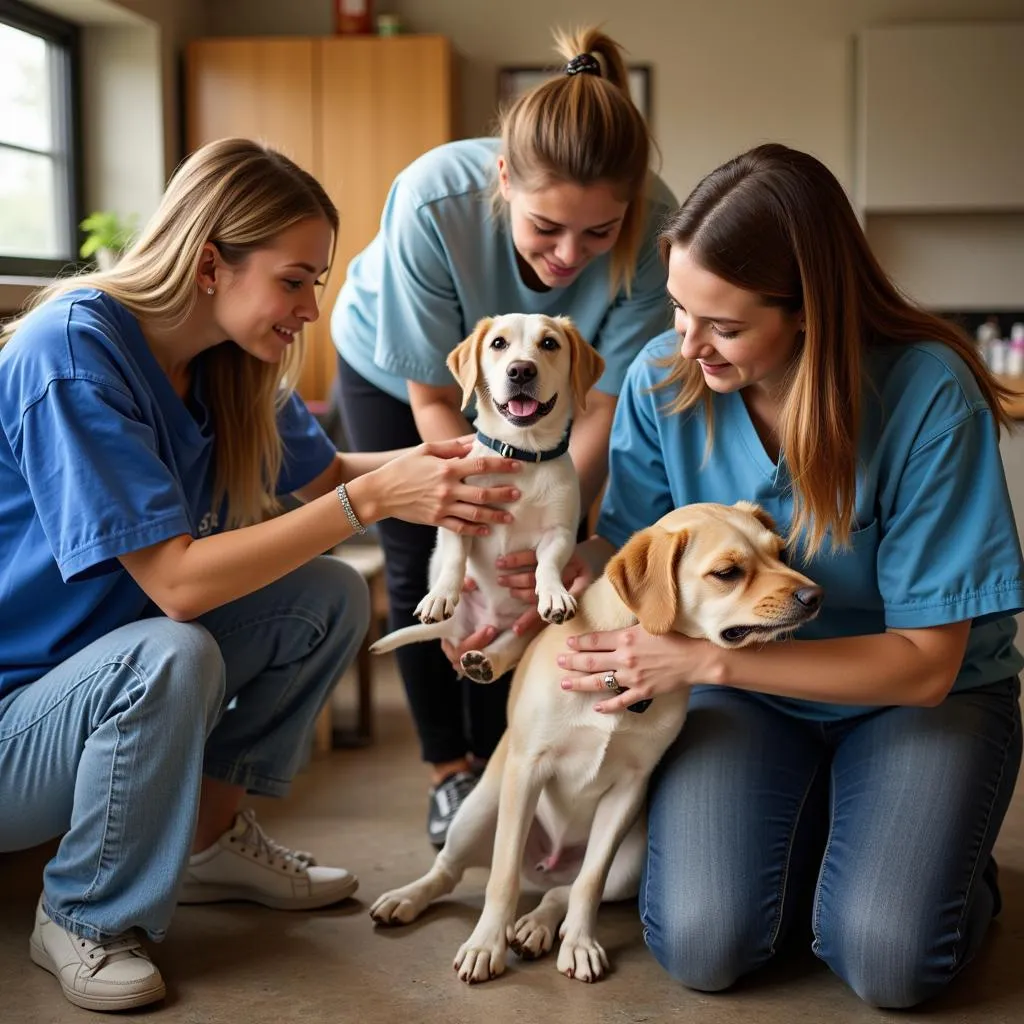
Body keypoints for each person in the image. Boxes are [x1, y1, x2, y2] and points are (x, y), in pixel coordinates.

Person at [0, 138, 524, 1013]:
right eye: (295, 279)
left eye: (316, 282)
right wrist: (377, 503)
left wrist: (453, 465)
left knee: (326, 597)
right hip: (18, 722)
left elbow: (326, 482)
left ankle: (205, 846)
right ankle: (83, 916)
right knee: (172, 652)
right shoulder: (72, 352)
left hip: (97, 674)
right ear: (210, 264)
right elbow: (178, 584)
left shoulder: (228, 364)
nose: (311, 308)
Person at [553, 143, 1024, 1009]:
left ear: (808, 310)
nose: (687, 344)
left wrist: (708, 662)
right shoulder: (665, 378)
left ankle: (949, 868)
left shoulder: (926, 395)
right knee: (705, 943)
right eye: (679, 311)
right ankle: (835, 841)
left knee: (888, 957)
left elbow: (926, 663)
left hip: (917, 696)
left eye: (723, 327)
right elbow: (630, 562)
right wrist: (537, 581)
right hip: (745, 701)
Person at [330, 26, 677, 847]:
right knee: (432, 551)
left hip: (559, 402)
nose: (570, 256)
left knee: (523, 569)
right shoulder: (430, 198)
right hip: (404, 375)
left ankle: (501, 756)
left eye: (599, 234)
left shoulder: (657, 228)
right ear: (501, 182)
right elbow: (432, 396)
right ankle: (449, 772)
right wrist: (476, 503)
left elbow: (600, 408)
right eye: (548, 228)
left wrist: (548, 508)